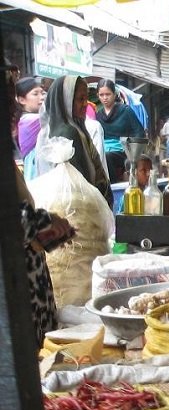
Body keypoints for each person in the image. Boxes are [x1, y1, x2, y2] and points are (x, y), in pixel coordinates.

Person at [5, 66, 74, 350]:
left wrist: (49, 230)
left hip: (31, 284)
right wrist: (44, 222)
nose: (13, 108)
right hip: (18, 291)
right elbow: (9, 221)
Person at [35, 75, 113, 207]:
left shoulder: (47, 132)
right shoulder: (69, 133)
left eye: (86, 98)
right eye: (80, 99)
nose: (85, 104)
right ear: (65, 100)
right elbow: (80, 185)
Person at [95, 79, 145, 182]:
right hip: (102, 150)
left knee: (107, 157)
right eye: (101, 95)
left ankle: (112, 186)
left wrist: (130, 148)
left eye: (108, 94)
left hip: (123, 151)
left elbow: (139, 133)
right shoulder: (98, 115)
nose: (105, 98)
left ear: (114, 94)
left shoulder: (126, 111)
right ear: (98, 96)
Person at [15, 76, 46, 178]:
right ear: (22, 100)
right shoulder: (29, 121)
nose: (41, 97)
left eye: (42, 93)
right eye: (35, 94)